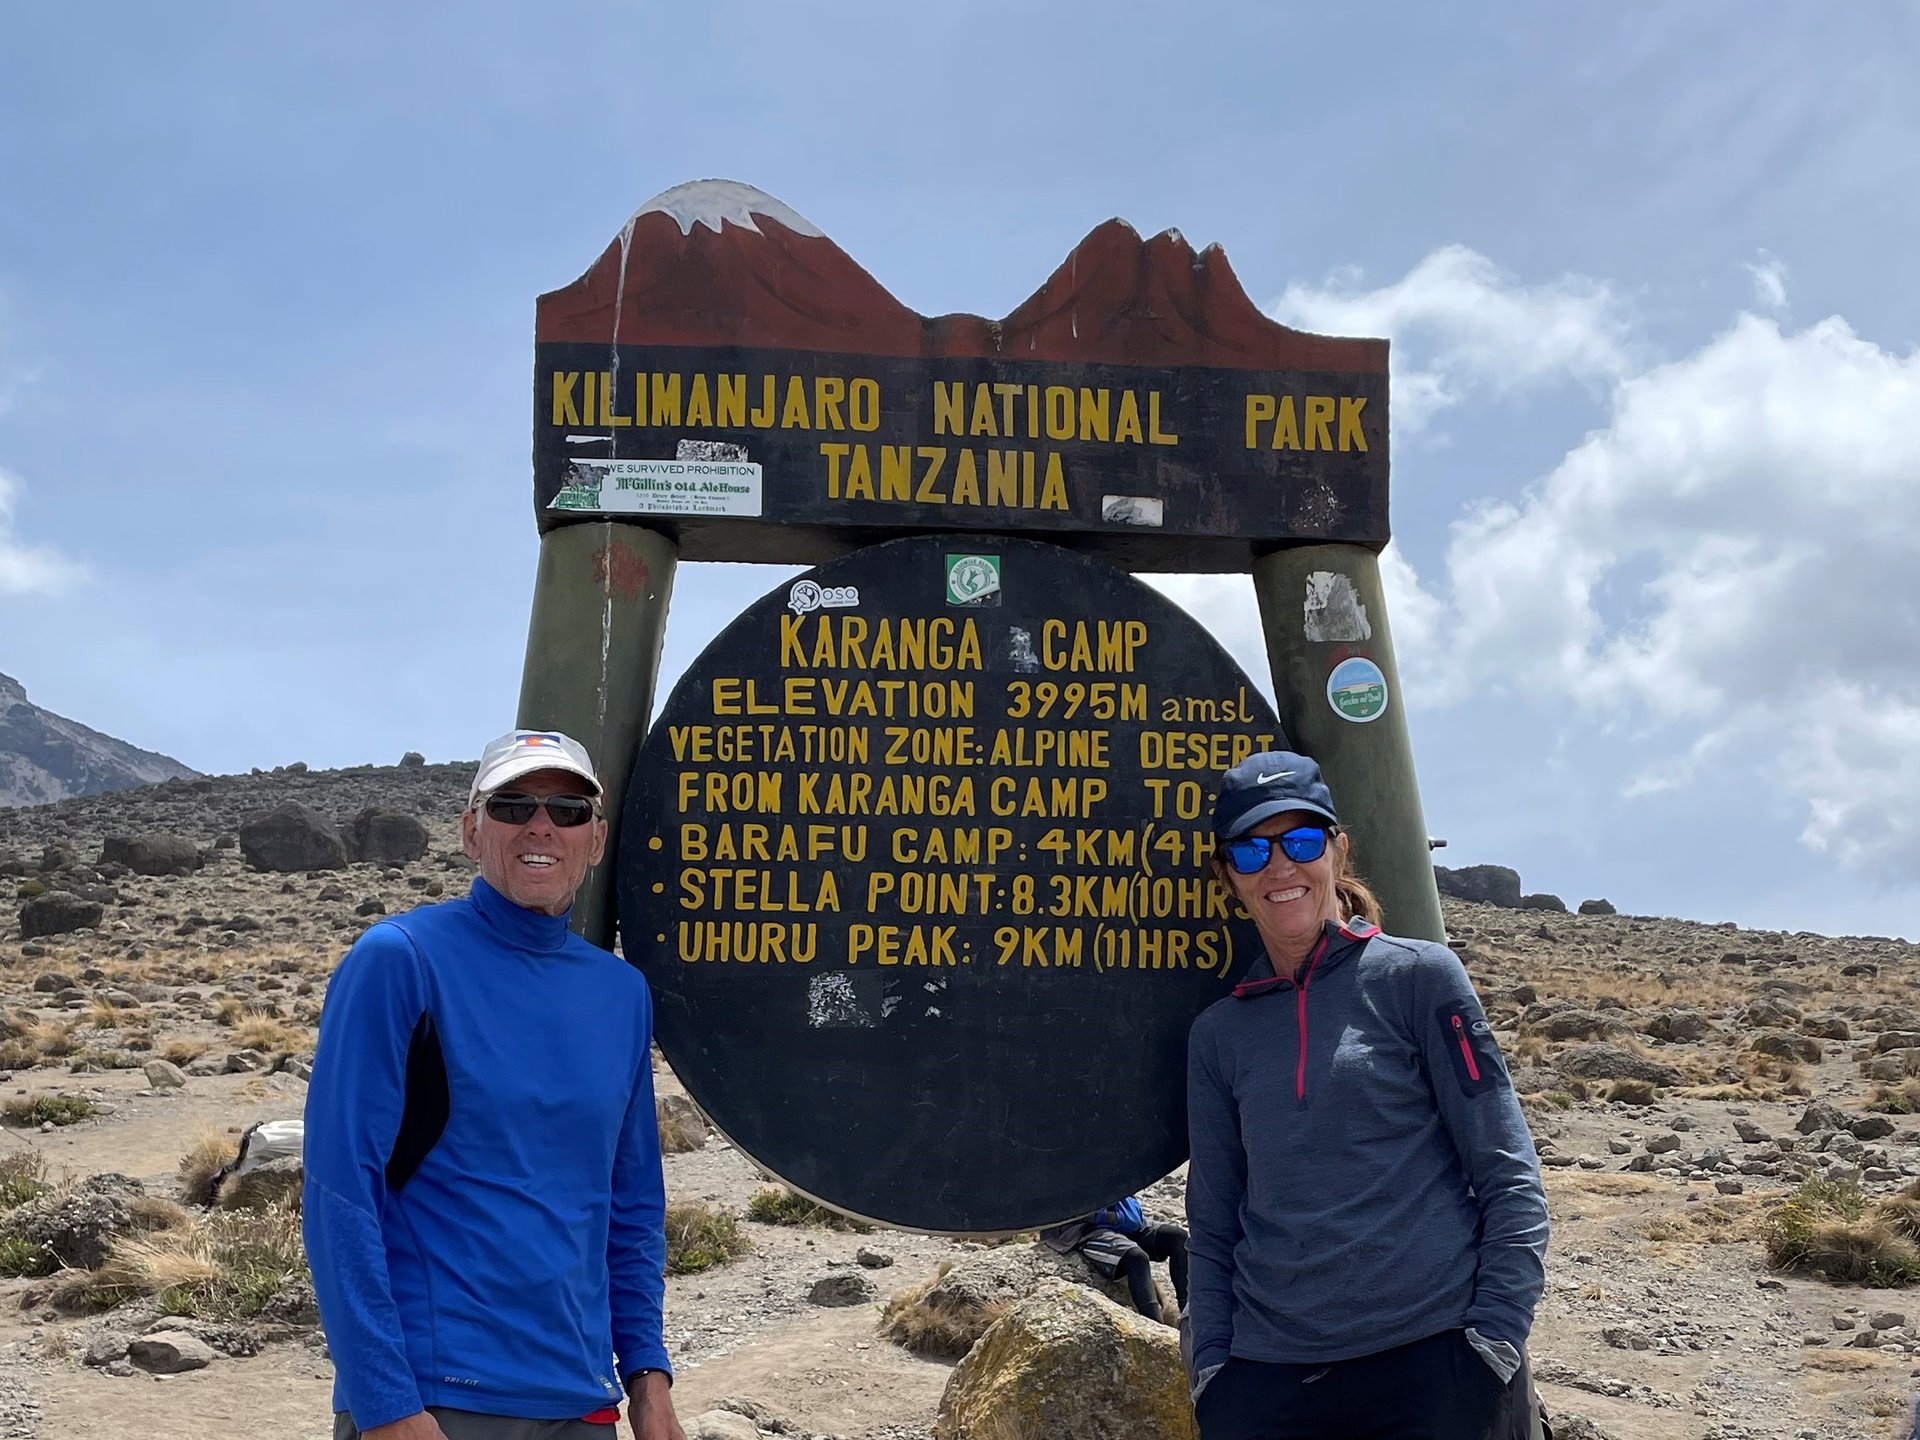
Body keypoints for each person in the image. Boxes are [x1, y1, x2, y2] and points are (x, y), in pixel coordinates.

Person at [304, 730, 685, 1440]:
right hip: (439, 1400)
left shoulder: (621, 994)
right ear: (471, 831)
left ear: (596, 839)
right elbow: (338, 1192)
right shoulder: (400, 960)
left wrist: (649, 1380)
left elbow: (631, 1205)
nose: (541, 825)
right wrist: (386, 1407)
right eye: (514, 806)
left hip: (581, 1404)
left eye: (568, 811)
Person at [1184, 751, 1549, 1440]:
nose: (1280, 867)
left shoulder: (1420, 979)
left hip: (1436, 1362)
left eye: (1300, 841)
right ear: (1227, 874)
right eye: (1252, 849)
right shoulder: (1218, 1034)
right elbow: (1213, 1222)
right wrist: (1212, 1374)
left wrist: (1494, 1344)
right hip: (1268, 1377)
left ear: (1337, 849)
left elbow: (1509, 1176)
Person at [1039, 1194, 1191, 1323]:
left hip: (1123, 1216)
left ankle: (1189, 1318)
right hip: (1087, 1227)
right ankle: (1155, 1327)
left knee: (1178, 1238)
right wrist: (1111, 1217)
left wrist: (1126, 1215)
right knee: (1136, 1258)